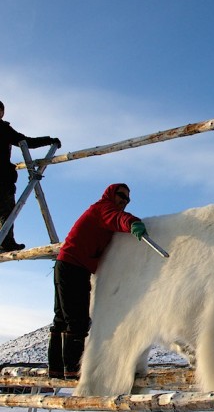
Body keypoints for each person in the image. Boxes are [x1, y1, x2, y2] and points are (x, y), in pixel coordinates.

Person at [48, 183, 148, 379]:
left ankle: (57, 369)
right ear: (111, 194)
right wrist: (133, 223)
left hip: (67, 265)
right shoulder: (103, 208)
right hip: (73, 267)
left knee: (62, 318)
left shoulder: (101, 210)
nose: (124, 201)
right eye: (121, 195)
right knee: (77, 320)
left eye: (127, 199)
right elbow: (116, 218)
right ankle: (72, 369)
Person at [0, 100, 61, 251]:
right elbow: (26, 141)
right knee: (5, 210)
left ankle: (6, 242)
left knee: (5, 211)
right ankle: (6, 242)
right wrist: (50, 140)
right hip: (1, 178)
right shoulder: (3, 129)